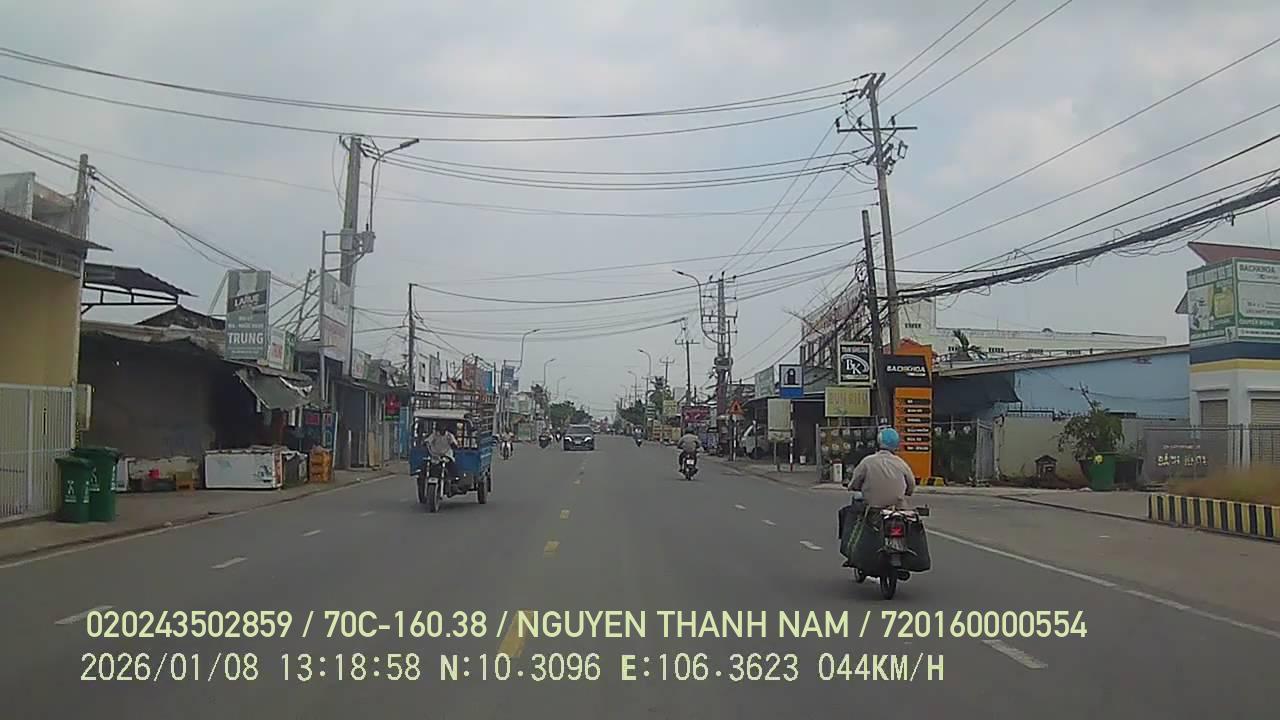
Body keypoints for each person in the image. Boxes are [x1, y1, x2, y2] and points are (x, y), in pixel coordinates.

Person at [846, 427, 915, 510]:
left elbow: (855, 482)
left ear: (878, 442)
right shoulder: (901, 463)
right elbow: (911, 485)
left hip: (872, 506)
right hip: (896, 507)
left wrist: (851, 486)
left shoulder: (867, 461)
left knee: (856, 499)